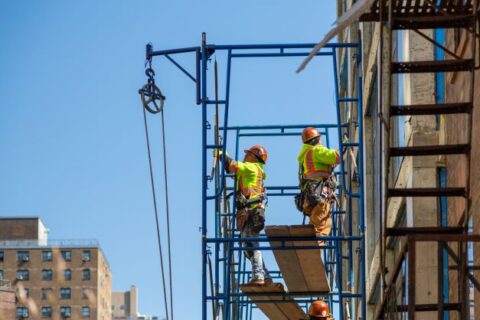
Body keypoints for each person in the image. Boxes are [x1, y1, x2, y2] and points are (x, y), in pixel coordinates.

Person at [218, 145, 272, 285]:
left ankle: (259, 276)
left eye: (247, 154)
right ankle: (265, 276)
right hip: (250, 211)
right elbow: (233, 170)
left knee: (251, 244)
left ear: (254, 157)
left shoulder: (251, 167)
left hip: (250, 211)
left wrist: (222, 154)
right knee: (248, 247)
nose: (245, 156)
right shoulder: (253, 169)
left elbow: (232, 166)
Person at [296, 127, 340, 245]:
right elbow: (336, 157)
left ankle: (308, 251)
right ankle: (311, 254)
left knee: (315, 225)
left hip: (311, 198)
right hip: (319, 196)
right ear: (316, 140)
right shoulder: (316, 151)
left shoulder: (306, 155)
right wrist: (344, 148)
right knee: (322, 228)